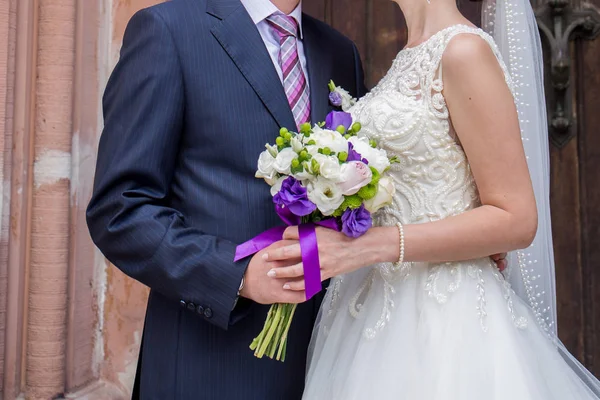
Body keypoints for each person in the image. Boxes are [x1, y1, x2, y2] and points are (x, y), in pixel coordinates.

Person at [263, 0, 600, 398]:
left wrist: (364, 248)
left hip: (447, 320)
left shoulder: (464, 52)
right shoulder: (407, 55)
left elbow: (516, 218)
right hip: (369, 313)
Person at [85, 0, 367, 398]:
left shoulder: (340, 52)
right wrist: (234, 276)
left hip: (326, 358)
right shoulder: (167, 29)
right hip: (210, 359)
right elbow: (120, 209)